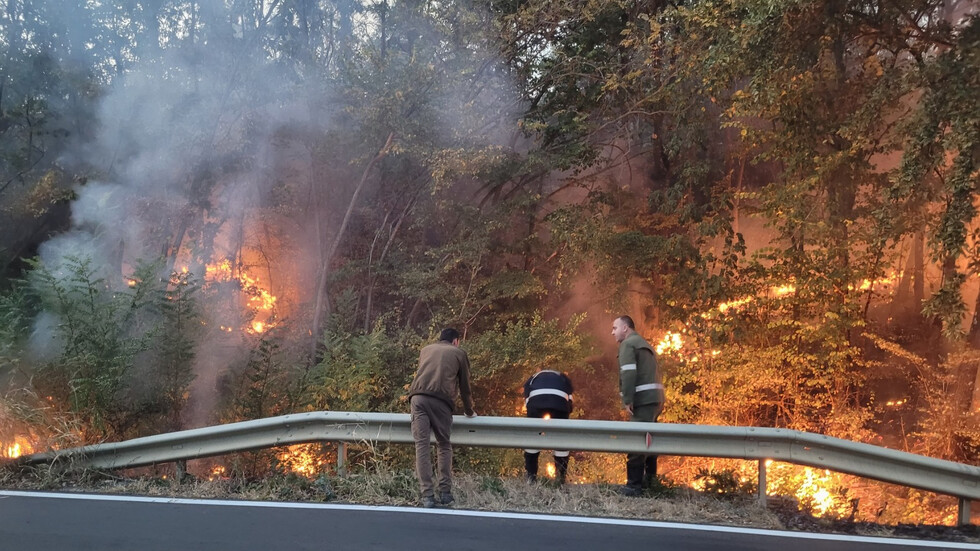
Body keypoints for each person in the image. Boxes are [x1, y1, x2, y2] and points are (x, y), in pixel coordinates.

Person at [407, 328, 477, 508]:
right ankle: (445, 493)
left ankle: (427, 496)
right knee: (443, 444)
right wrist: (469, 410)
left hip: (418, 398)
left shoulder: (425, 350)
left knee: (421, 445)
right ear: (455, 341)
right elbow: (465, 386)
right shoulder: (459, 353)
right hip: (441, 401)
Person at [611, 315, 665, 496]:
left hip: (642, 401)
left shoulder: (628, 344)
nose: (612, 332)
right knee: (649, 442)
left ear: (625, 328)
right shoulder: (645, 343)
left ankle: (634, 486)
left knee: (636, 440)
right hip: (655, 400)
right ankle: (650, 482)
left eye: (615, 328)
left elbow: (628, 374)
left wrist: (627, 399)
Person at [522, 368, 574, 484]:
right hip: (559, 404)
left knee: (532, 440)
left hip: (536, 403)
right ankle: (560, 478)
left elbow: (527, 404)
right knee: (561, 442)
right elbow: (570, 405)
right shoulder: (564, 379)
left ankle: (531, 477)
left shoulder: (532, 379)